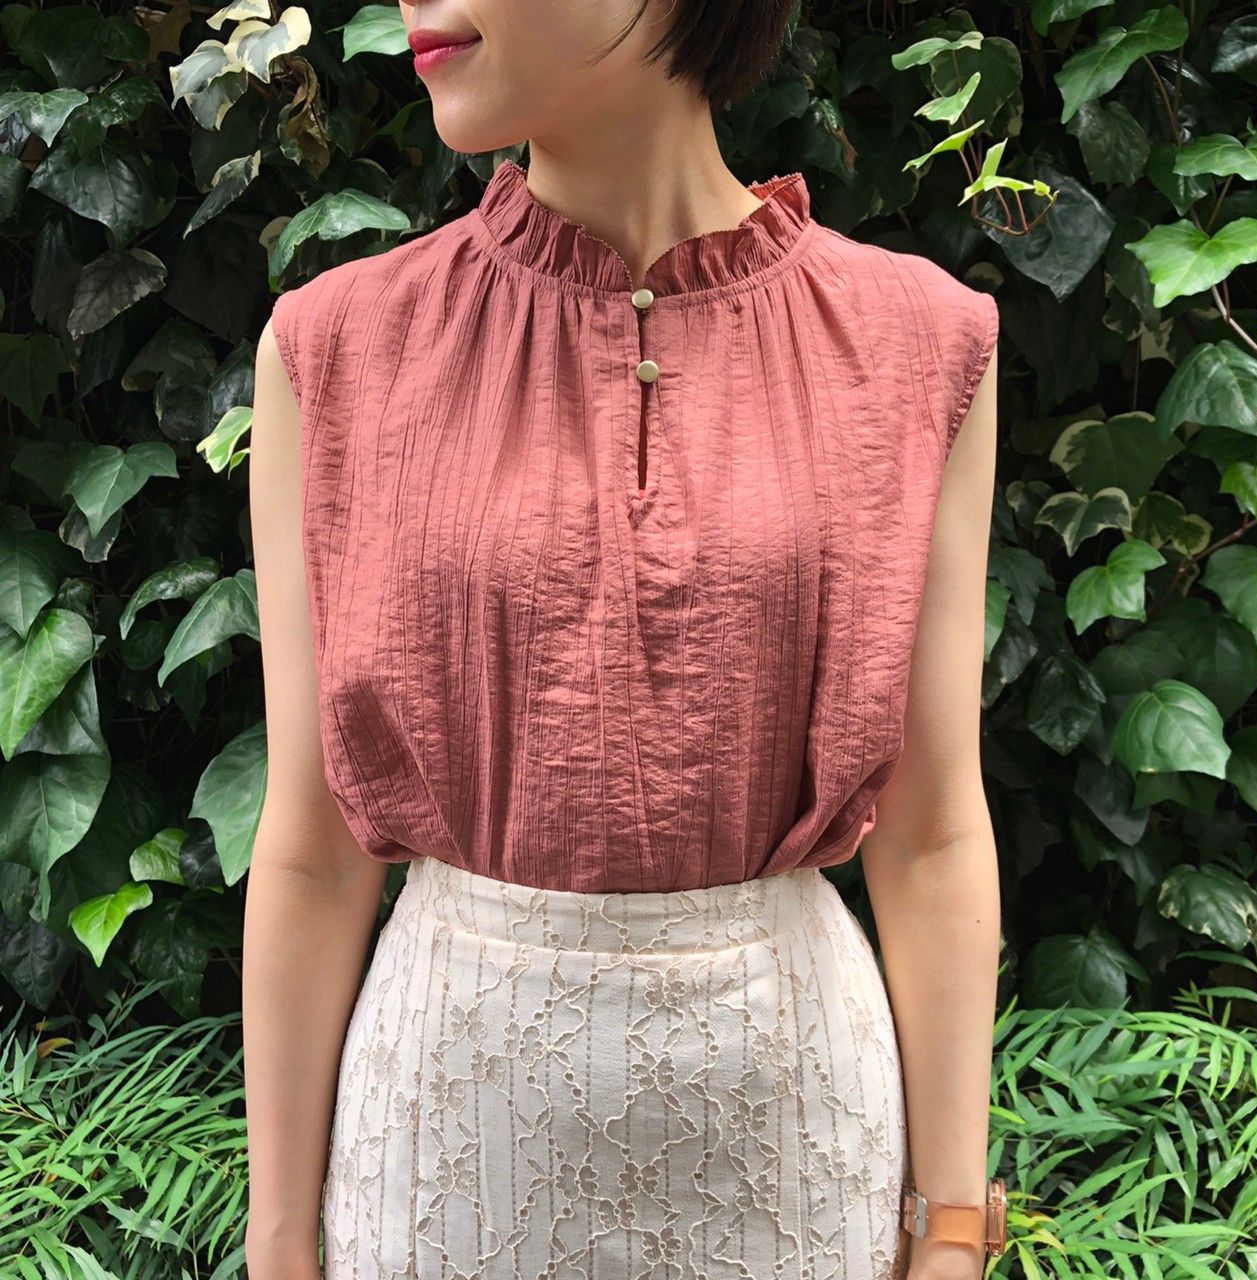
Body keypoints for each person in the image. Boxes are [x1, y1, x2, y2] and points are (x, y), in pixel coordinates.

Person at [242, 1, 1003, 1278]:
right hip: (442, 1169)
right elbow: (311, 849)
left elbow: (928, 833)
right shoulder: (336, 349)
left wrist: (952, 1228)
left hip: (796, 1162)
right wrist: (277, 1245)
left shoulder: (914, 342)